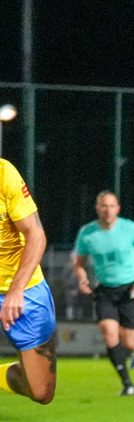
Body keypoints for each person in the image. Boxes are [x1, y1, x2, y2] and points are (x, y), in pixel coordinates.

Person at [74, 190, 134, 397]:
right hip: (105, 291)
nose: (107, 210)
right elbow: (79, 262)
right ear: (97, 208)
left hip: (129, 290)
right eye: (103, 206)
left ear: (117, 209)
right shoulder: (87, 233)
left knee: (130, 344)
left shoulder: (129, 229)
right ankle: (127, 383)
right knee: (109, 333)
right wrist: (82, 278)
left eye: (111, 206)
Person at [0, 158, 57, 405]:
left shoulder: (4, 174)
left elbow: (36, 234)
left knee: (41, 392)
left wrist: (16, 290)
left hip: (23, 288)